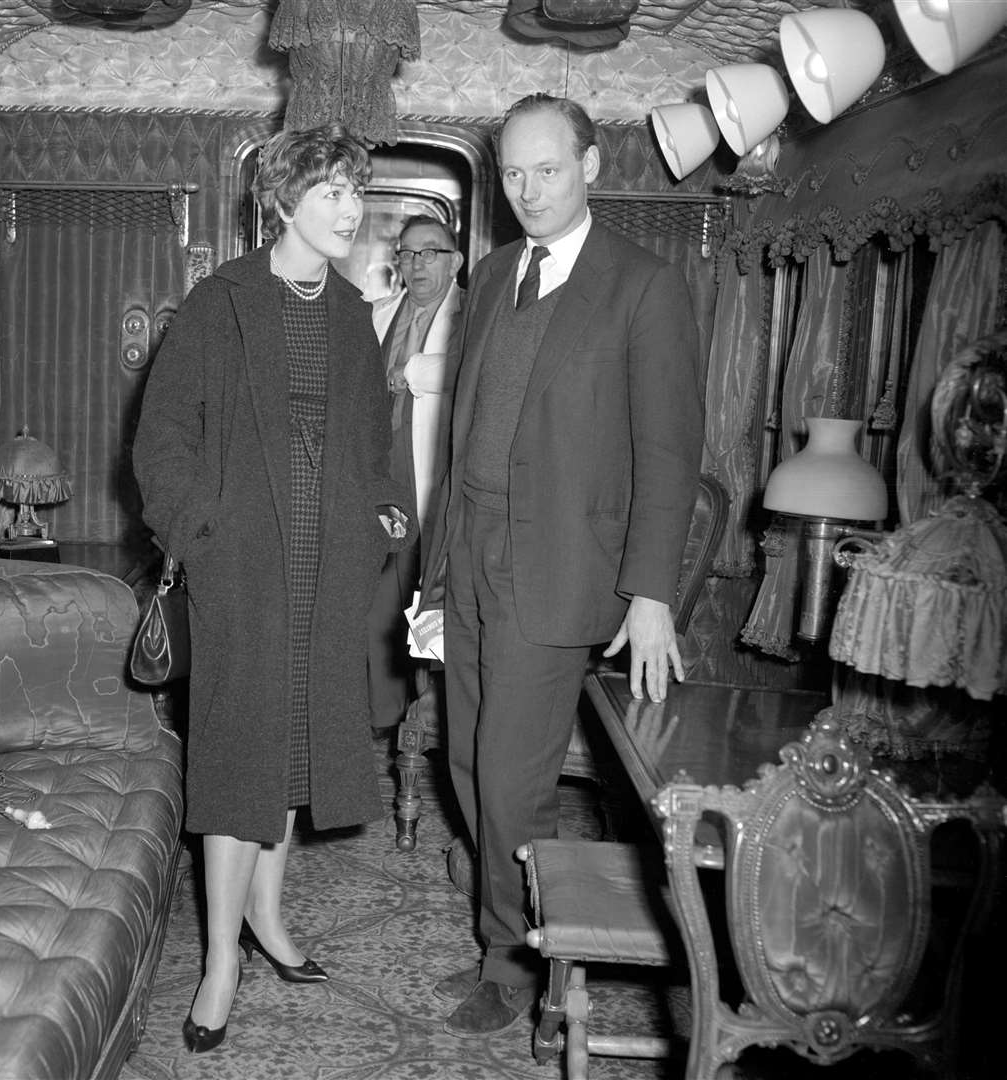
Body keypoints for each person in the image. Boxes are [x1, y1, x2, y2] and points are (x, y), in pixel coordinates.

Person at [418, 94, 704, 1037]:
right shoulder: (492, 275)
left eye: (548, 169)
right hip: (472, 553)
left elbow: (668, 451)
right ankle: (522, 885)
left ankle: (513, 962)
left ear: (591, 166)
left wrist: (652, 592)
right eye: (512, 173)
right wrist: (434, 577)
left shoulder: (643, 286)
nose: (529, 190)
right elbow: (460, 442)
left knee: (507, 777)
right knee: (461, 759)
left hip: (560, 568)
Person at [132, 123, 413, 1054]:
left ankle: (269, 922)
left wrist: (381, 514)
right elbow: (160, 438)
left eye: (354, 192)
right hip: (243, 568)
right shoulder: (222, 303)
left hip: (327, 570)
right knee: (236, 761)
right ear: (283, 202)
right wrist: (196, 533)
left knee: (291, 754)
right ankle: (219, 961)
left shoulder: (350, 313)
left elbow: (376, 438)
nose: (350, 210)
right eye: (331, 192)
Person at [367, 214, 464, 733]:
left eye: (431, 252)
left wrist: (407, 373)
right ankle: (381, 715)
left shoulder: (474, 312)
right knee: (381, 595)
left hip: (434, 474)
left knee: (430, 598)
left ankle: (428, 715)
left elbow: (464, 369)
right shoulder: (378, 314)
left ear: (455, 261)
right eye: (407, 254)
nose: (418, 263)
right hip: (379, 475)